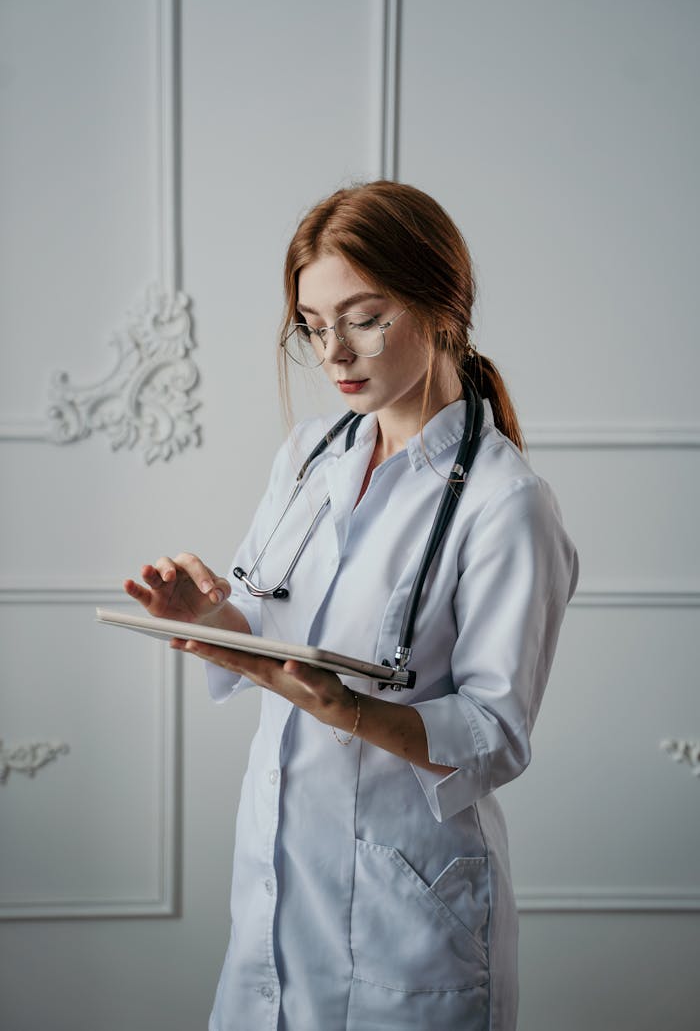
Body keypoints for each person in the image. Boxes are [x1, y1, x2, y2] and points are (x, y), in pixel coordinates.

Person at [124, 180, 578, 1031]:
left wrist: (349, 711)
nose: (334, 352)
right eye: (311, 324)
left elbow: (496, 732)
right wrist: (202, 616)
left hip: (408, 909)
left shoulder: (504, 502)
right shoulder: (309, 455)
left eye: (365, 318)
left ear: (441, 308)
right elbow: (269, 637)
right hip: (279, 878)